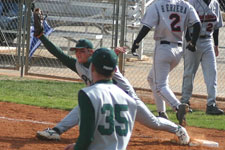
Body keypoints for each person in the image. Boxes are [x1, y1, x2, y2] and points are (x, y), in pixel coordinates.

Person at [33, 8, 190, 145]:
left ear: (91, 52)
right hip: (104, 98)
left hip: (127, 98)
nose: (78, 53)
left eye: (82, 50)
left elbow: (107, 57)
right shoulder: (78, 65)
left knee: (153, 123)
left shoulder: (101, 60)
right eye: (76, 51)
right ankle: (56, 130)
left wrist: (111, 53)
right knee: (82, 106)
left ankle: (178, 129)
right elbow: (58, 54)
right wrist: (41, 37)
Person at [131, 0, 201, 126]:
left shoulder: (158, 4)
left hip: (163, 48)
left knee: (160, 86)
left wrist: (136, 42)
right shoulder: (185, 5)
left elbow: (147, 26)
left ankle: (177, 107)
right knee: (152, 78)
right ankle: (161, 113)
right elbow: (197, 24)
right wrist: (193, 42)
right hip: (178, 51)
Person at [64, 48, 137, 150]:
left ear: (92, 67)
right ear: (115, 69)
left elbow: (86, 137)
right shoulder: (130, 100)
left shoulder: (88, 94)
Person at [180, 0, 224, 115]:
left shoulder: (215, 4)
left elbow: (216, 26)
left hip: (208, 41)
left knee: (212, 72)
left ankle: (211, 104)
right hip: (192, 40)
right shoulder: (192, 3)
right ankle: (185, 102)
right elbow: (184, 25)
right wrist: (189, 41)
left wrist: (216, 45)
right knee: (189, 72)